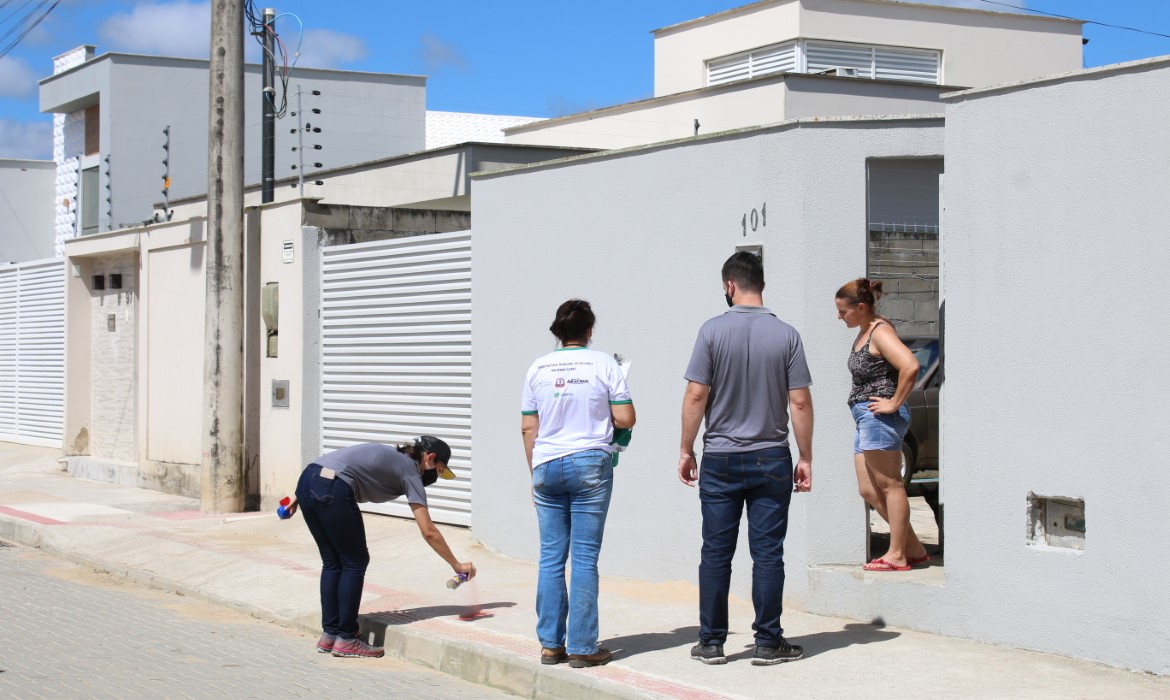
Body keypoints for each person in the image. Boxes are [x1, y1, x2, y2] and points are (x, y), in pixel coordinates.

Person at [679, 251, 814, 667]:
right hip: (771, 457)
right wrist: (805, 456)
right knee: (768, 553)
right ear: (762, 286)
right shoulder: (787, 335)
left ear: (729, 285)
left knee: (716, 552)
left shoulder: (711, 332)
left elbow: (696, 394)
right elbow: (800, 401)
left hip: (719, 457)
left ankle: (712, 642)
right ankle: (769, 641)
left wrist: (686, 447)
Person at [283, 437, 476, 658]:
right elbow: (428, 530)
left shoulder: (391, 458)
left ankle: (330, 634)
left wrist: (300, 496)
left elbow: (333, 463)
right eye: (438, 470)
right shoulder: (410, 470)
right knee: (354, 562)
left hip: (308, 481)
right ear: (429, 457)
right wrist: (457, 565)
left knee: (333, 562)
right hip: (333, 488)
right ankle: (346, 638)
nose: (435, 476)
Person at [521, 299, 635, 668]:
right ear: (589, 331)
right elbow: (625, 417)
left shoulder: (537, 367)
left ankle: (551, 645)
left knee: (551, 557)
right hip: (589, 464)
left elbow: (528, 427)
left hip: (546, 465)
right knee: (584, 556)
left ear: (558, 331)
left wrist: (535, 472)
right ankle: (584, 648)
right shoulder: (605, 364)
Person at [835, 278, 926, 572]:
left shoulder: (880, 331)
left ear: (861, 307)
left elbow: (910, 365)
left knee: (889, 485)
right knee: (869, 489)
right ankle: (913, 547)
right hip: (865, 417)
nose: (839, 317)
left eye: (843, 311)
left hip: (879, 416)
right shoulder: (866, 330)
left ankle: (898, 554)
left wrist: (894, 403)